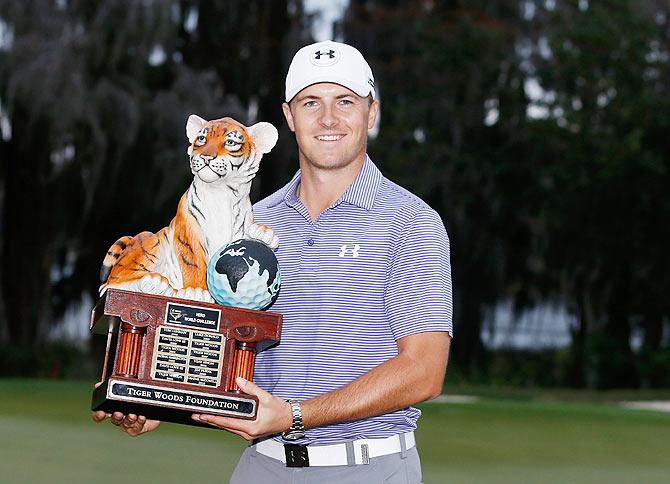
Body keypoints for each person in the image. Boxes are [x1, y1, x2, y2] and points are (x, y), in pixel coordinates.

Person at [93, 40, 452, 484]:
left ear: (371, 112)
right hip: (263, 467)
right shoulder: (254, 223)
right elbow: (216, 336)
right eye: (310, 102)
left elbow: (424, 371)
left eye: (345, 101)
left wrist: (295, 416)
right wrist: (154, 399)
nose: (328, 119)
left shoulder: (411, 222)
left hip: (368, 468)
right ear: (289, 117)